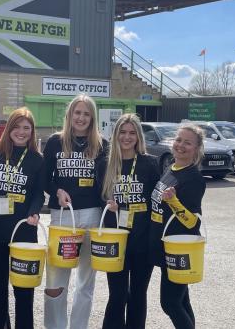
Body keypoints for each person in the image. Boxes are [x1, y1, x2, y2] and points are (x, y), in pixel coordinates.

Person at [43, 93, 109, 329]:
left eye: (86, 113)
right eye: (77, 112)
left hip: (92, 216)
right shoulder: (55, 141)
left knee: (85, 283)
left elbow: (106, 182)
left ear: (92, 118)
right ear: (70, 115)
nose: (81, 118)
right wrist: (57, 190)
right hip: (62, 217)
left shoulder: (102, 144)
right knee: (55, 281)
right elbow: (44, 178)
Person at [0, 107, 45, 329]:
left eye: (26, 128)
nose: (21, 132)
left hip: (24, 235)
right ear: (9, 128)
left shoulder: (37, 159)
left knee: (24, 291)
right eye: (16, 127)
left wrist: (34, 211)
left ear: (32, 131)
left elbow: (39, 192)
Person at [96, 113, 160, 329]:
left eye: (132, 133)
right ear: (115, 135)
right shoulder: (105, 164)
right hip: (115, 241)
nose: (127, 137)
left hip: (142, 240)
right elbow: (98, 198)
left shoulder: (150, 163)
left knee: (138, 295)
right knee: (118, 294)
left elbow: (156, 202)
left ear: (138, 136)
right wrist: (109, 204)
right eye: (122, 132)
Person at [148, 123, 206, 329]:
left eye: (188, 143)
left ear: (197, 149)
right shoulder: (170, 167)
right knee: (181, 301)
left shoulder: (194, 178)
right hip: (165, 245)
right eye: (179, 140)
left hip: (180, 247)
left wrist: (174, 201)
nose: (181, 145)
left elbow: (192, 221)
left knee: (170, 303)